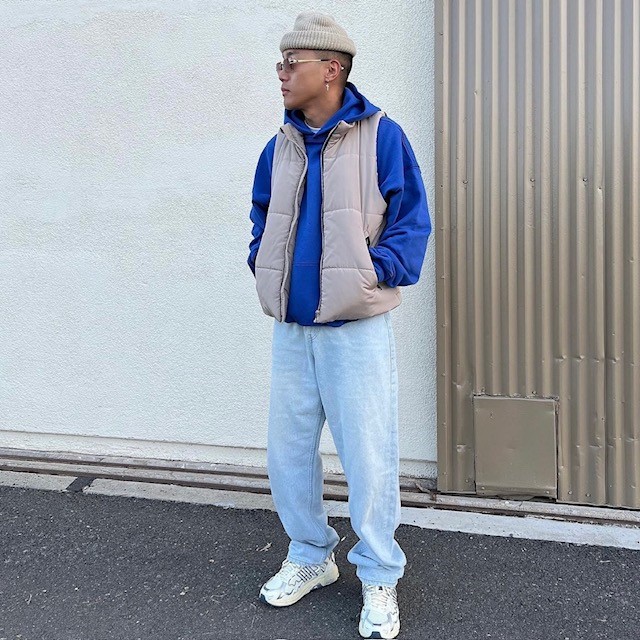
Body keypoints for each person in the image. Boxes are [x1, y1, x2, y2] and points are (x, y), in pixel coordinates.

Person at [247, 11, 430, 640]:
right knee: (289, 455)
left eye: (290, 64)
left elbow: (410, 219)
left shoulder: (382, 137)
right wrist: (261, 262)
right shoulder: (281, 144)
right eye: (279, 63)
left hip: (355, 329)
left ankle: (379, 574)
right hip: (292, 330)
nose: (280, 74)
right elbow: (261, 213)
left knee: (368, 457)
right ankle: (310, 556)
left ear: (331, 68)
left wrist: (374, 275)